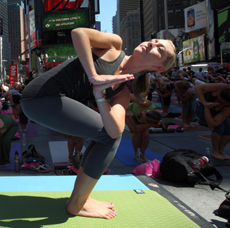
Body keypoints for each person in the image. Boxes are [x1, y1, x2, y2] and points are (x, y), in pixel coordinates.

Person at [21, 28, 175, 219]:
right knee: (109, 137)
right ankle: (78, 202)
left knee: (111, 136)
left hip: (49, 101)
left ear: (159, 67)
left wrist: (99, 95)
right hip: (39, 97)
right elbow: (79, 33)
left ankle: (80, 198)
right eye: (154, 40)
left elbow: (115, 129)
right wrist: (95, 77)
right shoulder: (115, 45)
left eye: (159, 49)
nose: (152, 43)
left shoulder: (122, 93)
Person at [194, 83, 230, 160]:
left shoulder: (227, 107)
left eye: (222, 101)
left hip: (217, 110)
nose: (218, 100)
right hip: (201, 106)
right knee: (220, 126)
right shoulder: (223, 86)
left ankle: (221, 151)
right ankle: (215, 151)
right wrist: (205, 105)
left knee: (228, 127)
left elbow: (214, 122)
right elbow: (197, 87)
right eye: (218, 97)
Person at [125, 97, 162, 163]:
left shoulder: (150, 122)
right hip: (128, 111)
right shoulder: (147, 104)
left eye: (144, 113)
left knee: (145, 134)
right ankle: (137, 153)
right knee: (137, 133)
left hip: (141, 120)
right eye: (144, 110)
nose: (142, 111)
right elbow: (133, 129)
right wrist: (126, 114)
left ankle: (142, 153)